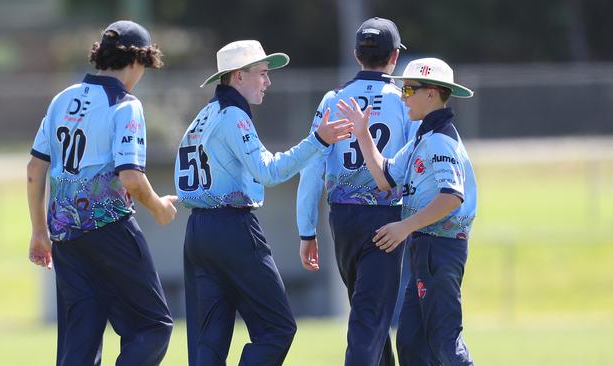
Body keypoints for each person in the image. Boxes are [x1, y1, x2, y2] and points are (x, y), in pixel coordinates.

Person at [174, 40, 353, 366]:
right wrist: (318, 140)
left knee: (208, 343)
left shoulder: (204, 115)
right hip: (232, 229)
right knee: (277, 327)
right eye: (262, 73)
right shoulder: (234, 117)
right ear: (238, 76)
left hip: (197, 232)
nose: (268, 82)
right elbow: (269, 171)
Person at [26, 20, 177, 366]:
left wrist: (39, 232)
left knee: (79, 342)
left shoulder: (62, 99)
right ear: (138, 60)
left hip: (65, 234)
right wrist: (159, 208)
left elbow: (35, 170)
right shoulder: (125, 104)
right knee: (152, 327)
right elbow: (131, 179)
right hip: (111, 230)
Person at [338, 57, 476, 365]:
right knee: (411, 342)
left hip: (440, 248)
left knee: (444, 341)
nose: (403, 96)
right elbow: (385, 177)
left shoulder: (441, 141)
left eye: (410, 89)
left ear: (432, 94)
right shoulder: (422, 137)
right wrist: (362, 134)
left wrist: (405, 227)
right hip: (423, 248)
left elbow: (452, 196)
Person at [295, 17, 415, 366]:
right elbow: (413, 163)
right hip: (386, 219)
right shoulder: (403, 101)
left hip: (342, 220)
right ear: (394, 57)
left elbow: (311, 168)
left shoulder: (333, 99)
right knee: (368, 319)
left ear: (355, 55)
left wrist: (307, 230)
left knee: (370, 315)